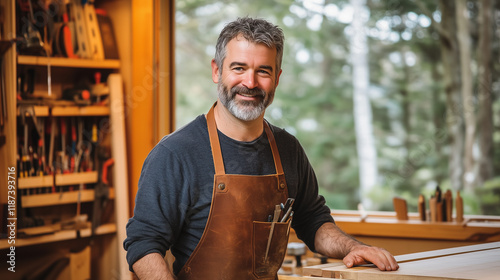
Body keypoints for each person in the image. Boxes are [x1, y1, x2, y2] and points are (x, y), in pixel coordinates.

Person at [124, 17, 399, 280]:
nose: (250, 83)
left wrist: (354, 248)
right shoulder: (175, 154)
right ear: (217, 70)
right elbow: (143, 245)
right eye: (239, 68)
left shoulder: (288, 149)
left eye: (263, 71)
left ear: (277, 78)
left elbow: (313, 221)